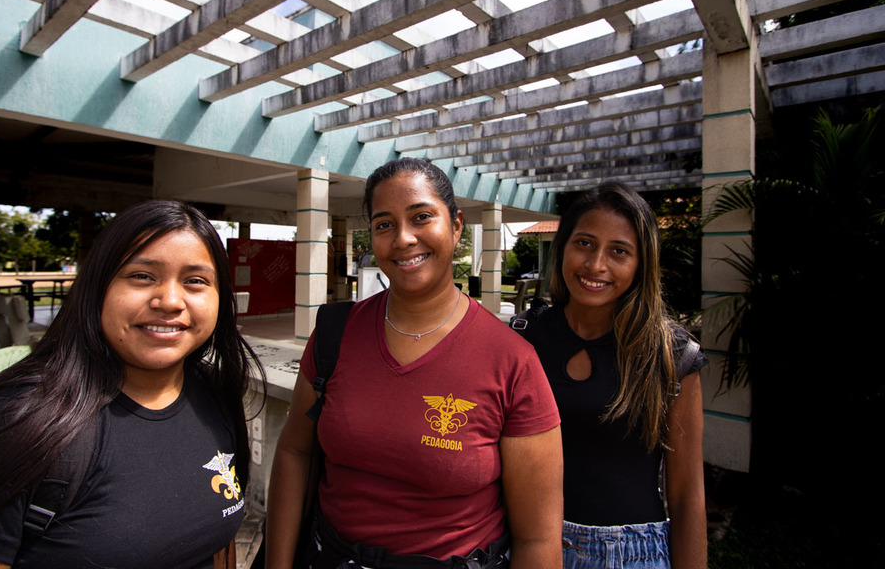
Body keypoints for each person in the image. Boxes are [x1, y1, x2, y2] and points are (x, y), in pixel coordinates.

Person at [0, 200, 262, 568]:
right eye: (142, 276)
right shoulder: (14, 425)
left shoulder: (213, 394)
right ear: (97, 286)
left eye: (196, 281)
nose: (169, 301)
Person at [266, 158, 563, 569]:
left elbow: (537, 538)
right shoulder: (335, 334)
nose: (403, 238)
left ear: (456, 226)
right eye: (384, 225)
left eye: (421, 217)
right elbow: (295, 452)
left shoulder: (512, 360)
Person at [514, 182, 707, 569]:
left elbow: (687, 495)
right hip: (528, 547)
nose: (595, 265)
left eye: (619, 251)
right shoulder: (522, 340)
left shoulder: (671, 357)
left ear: (641, 264)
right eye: (584, 243)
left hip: (630, 555)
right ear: (563, 246)